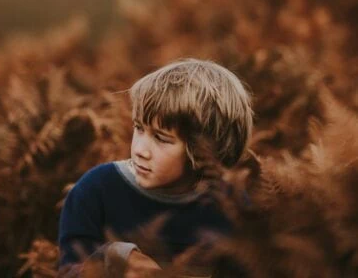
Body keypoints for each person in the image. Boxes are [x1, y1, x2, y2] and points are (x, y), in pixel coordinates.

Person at [57, 58, 254, 277]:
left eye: (161, 138)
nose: (141, 150)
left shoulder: (230, 207)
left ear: (202, 151)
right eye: (139, 128)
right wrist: (116, 257)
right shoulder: (95, 191)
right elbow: (68, 272)